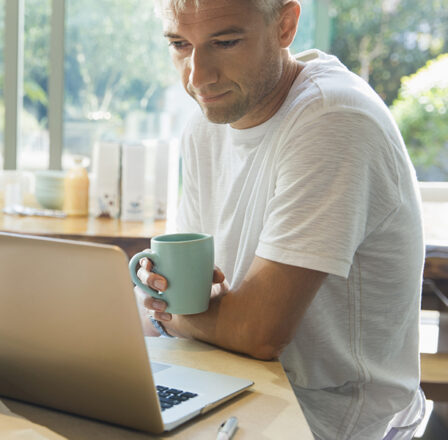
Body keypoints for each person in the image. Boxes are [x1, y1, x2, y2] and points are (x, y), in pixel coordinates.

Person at [134, 0, 426, 438]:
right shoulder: (207, 121)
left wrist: (165, 313)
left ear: (285, 25)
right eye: (180, 44)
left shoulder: (334, 118)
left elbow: (257, 333)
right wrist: (168, 304)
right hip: (237, 384)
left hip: (335, 417)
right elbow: (183, 298)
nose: (197, 77)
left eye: (226, 42)